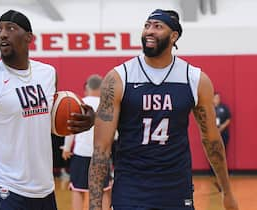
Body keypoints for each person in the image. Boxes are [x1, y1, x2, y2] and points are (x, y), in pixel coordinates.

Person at [88, 9, 239, 210]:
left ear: (174, 35)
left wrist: (227, 192)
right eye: (147, 25)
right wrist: (94, 206)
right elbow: (101, 149)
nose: (149, 31)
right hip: (131, 188)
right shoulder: (118, 78)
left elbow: (211, 140)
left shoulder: (194, 79)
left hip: (176, 188)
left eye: (158, 26)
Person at [0, 10, 94, 210]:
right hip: (4, 188)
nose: (2, 34)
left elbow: (45, 124)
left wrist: (82, 121)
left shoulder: (48, 74)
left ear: (28, 38)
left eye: (10, 28)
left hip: (44, 189)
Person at [62, 75, 111, 210]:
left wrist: (66, 148)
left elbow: (71, 129)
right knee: (104, 190)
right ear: (102, 88)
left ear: (87, 88)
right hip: (100, 154)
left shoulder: (80, 104)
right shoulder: (107, 105)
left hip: (81, 154)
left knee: (78, 190)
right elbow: (115, 133)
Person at [211, 91, 231, 191]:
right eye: (215, 98)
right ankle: (216, 175)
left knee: (223, 155)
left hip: (223, 135)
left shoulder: (224, 108)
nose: (217, 99)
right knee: (214, 155)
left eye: (218, 97)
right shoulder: (209, 109)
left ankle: (223, 177)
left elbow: (228, 119)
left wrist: (222, 127)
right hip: (213, 136)